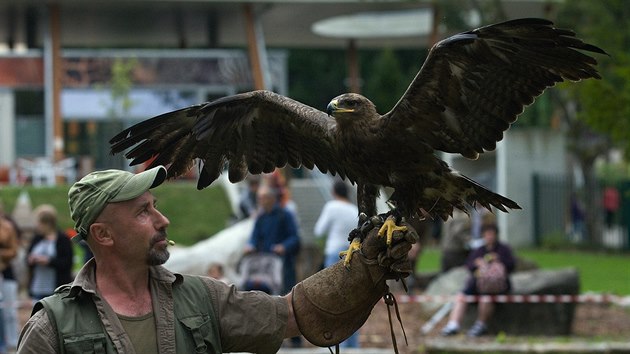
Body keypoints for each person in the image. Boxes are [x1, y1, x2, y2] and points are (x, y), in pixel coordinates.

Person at [16, 166, 416, 353]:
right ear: (103, 235)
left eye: (156, 206)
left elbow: (294, 312)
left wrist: (363, 267)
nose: (162, 219)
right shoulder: (54, 327)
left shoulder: (201, 300)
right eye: (142, 212)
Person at [441, 221, 515, 337]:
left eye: (492, 234)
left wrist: (498, 260)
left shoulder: (503, 249)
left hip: (496, 287)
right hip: (477, 285)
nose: (489, 237)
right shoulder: (479, 250)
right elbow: (469, 265)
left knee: (486, 299)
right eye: (487, 234)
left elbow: (511, 265)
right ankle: (453, 324)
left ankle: (480, 325)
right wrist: (478, 264)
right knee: (461, 296)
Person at [313, 179, 360, 348]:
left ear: (334, 192)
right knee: (351, 300)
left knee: (333, 299)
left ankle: (335, 343)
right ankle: (353, 344)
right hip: (352, 255)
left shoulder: (331, 207)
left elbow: (319, 230)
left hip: (334, 254)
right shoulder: (354, 209)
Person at [26, 205, 75, 300]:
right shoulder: (37, 238)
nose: (37, 226)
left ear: (47, 224)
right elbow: (28, 257)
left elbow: (67, 262)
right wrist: (31, 260)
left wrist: (49, 261)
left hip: (56, 287)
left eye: (39, 223)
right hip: (38, 287)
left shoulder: (62, 239)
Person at [0, 202, 19, 351]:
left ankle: (13, 341)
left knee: (10, 311)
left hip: (6, 272)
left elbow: (13, 251)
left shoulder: (7, 227)